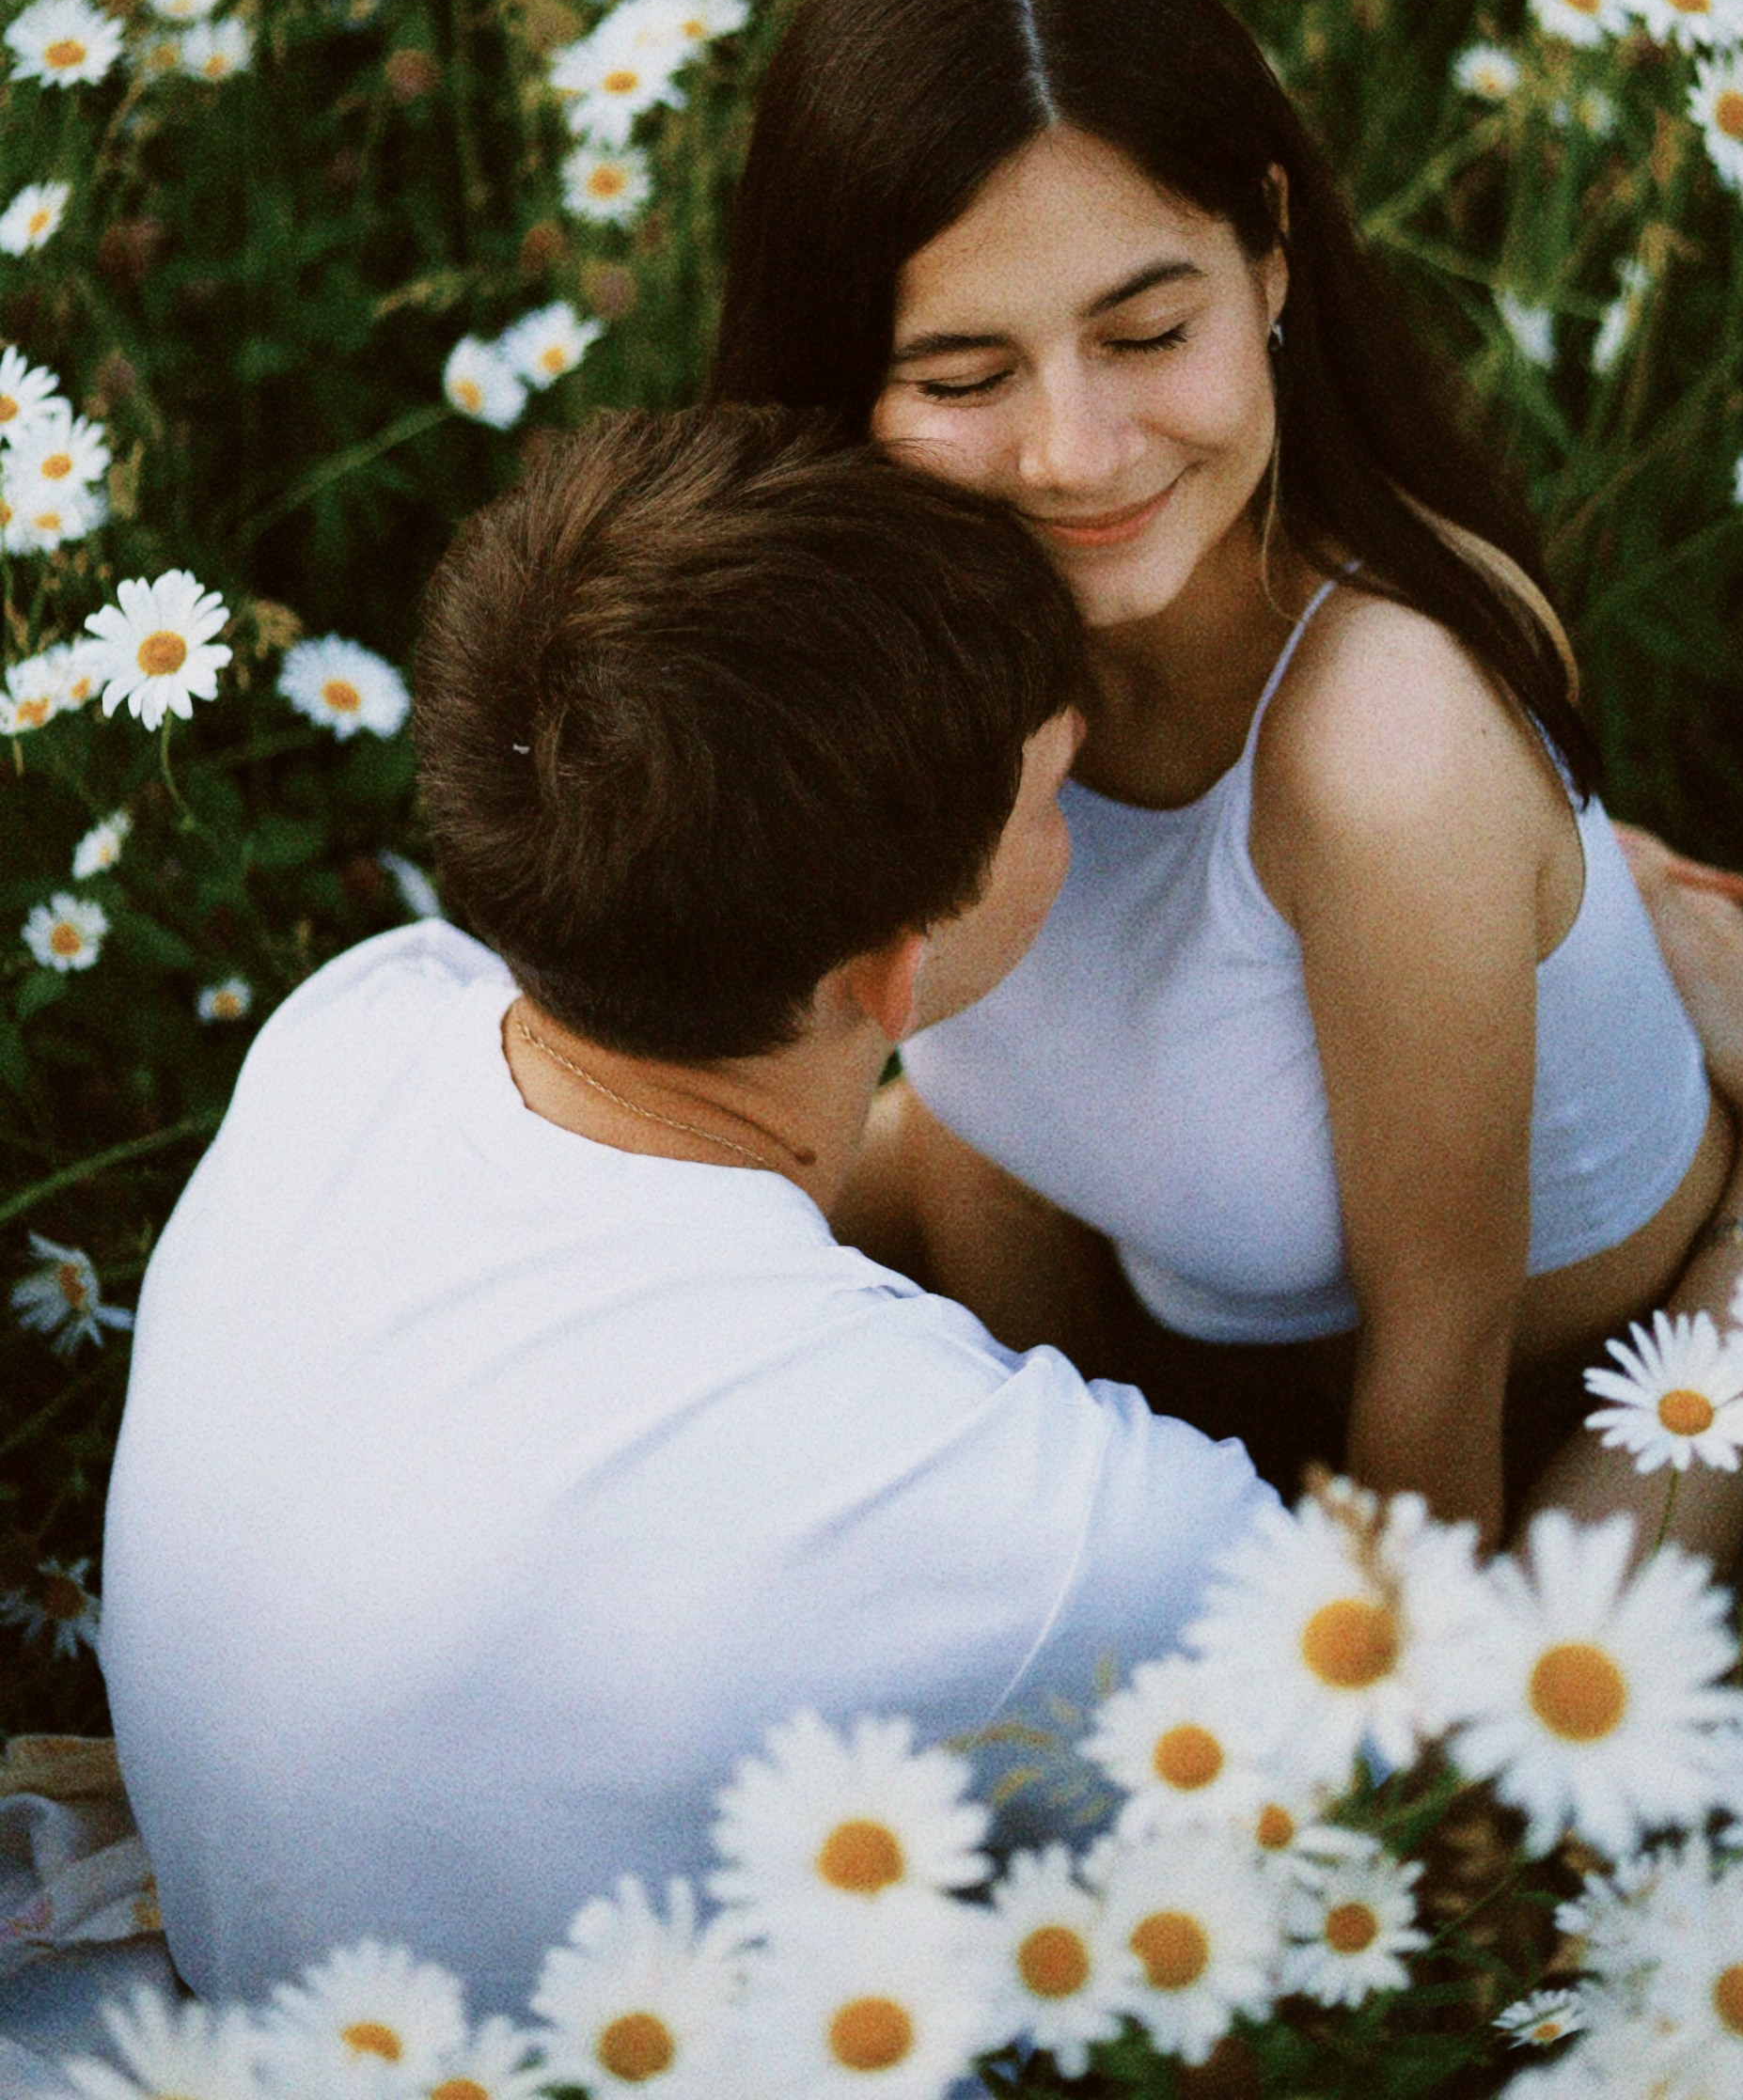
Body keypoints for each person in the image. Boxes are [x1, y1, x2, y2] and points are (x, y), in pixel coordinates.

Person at [709, 0, 1743, 1555]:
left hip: (1588, 1395)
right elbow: (981, 1116)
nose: (1075, 453)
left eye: (1149, 332)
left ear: (1272, 256)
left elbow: (1433, 1416)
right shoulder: (903, 630)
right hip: (1167, 1344)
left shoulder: (1389, 750)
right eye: (963, 377)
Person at [100, 408, 1281, 2003]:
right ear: (889, 967)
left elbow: (709, 1252)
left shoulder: (361, 1033)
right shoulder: (1059, 1528)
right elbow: (1451, 1742)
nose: (1077, 833)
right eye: (1051, 801)